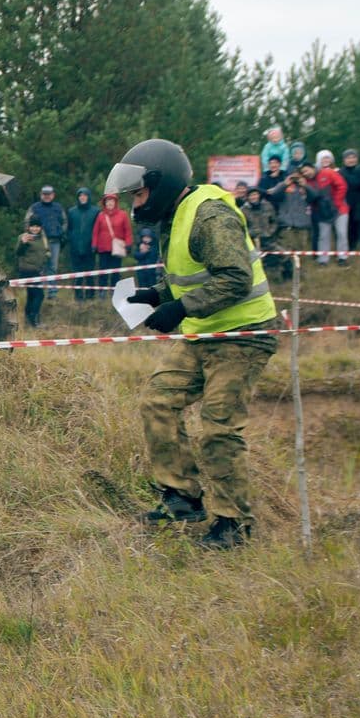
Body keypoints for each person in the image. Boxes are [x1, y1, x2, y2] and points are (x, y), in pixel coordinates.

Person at [106, 138, 278, 550]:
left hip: (243, 336)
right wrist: (156, 295)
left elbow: (234, 277)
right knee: (157, 400)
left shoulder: (209, 213)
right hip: (206, 332)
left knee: (218, 428)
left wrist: (180, 308)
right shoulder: (178, 213)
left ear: (161, 183)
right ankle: (182, 496)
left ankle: (234, 524)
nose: (136, 202)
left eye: (140, 192)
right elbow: (194, 274)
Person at [266, 169, 319, 279]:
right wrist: (285, 183)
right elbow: (274, 195)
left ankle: (300, 274)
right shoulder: (284, 187)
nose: (295, 178)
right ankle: (286, 273)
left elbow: (315, 197)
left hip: (302, 225)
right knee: (285, 252)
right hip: (287, 225)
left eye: (297, 176)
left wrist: (305, 185)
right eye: (293, 175)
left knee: (301, 252)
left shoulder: (305, 188)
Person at [304, 156, 349, 264]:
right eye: (303, 172)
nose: (306, 173)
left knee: (341, 233)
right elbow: (309, 199)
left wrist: (336, 203)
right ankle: (323, 259)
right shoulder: (306, 183)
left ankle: (342, 258)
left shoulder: (328, 173)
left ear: (312, 167)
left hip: (339, 209)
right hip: (322, 212)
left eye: (307, 170)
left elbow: (342, 186)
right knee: (323, 235)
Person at [25, 185, 67, 299]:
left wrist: (61, 232)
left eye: (49, 194)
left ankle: (52, 293)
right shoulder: (34, 207)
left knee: (53, 267)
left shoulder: (58, 208)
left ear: (53, 195)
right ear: (41, 195)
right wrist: (31, 236)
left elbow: (64, 222)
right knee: (39, 267)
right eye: (44, 194)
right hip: (39, 242)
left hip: (55, 242)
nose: (47, 196)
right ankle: (39, 293)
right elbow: (27, 222)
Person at [91, 193, 131, 297]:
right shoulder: (101, 216)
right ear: (104, 203)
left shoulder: (123, 214)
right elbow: (95, 232)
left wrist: (128, 244)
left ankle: (115, 292)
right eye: (107, 201)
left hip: (117, 249)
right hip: (103, 248)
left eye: (112, 200)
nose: (110, 203)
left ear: (116, 202)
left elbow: (127, 231)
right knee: (103, 271)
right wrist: (94, 245)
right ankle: (102, 292)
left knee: (115, 271)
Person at [15, 216, 49, 328]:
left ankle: (28, 319)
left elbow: (45, 251)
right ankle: (34, 320)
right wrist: (23, 243)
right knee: (39, 295)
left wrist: (47, 257)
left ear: (40, 227)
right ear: (29, 227)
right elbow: (18, 252)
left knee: (31, 295)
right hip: (27, 270)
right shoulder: (23, 237)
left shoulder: (42, 238)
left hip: (38, 271)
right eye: (33, 226)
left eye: (37, 226)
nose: (35, 228)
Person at [66, 187, 98, 300]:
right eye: (80, 195)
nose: (82, 197)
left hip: (90, 248)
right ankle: (78, 297)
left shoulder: (95, 211)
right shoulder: (72, 211)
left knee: (90, 274)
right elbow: (69, 229)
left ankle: (91, 297)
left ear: (88, 197)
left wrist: (95, 245)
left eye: (85, 195)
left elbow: (98, 229)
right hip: (75, 248)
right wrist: (71, 240)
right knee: (77, 274)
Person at [240, 187, 277, 251]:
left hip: (268, 240)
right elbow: (241, 226)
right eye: (250, 195)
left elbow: (274, 221)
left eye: (255, 194)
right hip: (252, 241)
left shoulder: (267, 206)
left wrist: (270, 232)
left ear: (259, 195)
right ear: (247, 197)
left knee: (283, 256)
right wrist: (250, 233)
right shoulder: (243, 210)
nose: (253, 197)